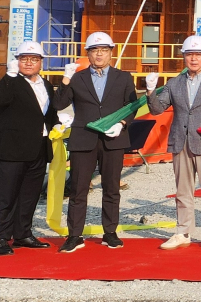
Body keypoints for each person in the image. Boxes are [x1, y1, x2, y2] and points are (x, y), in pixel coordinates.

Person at [146, 34, 201, 250]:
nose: (194, 58)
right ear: (184, 57)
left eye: (198, 54)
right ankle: (183, 231)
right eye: (189, 54)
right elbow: (157, 109)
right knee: (183, 191)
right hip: (181, 142)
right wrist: (150, 91)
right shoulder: (174, 83)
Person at [54, 31, 138, 254]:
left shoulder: (123, 77)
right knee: (78, 189)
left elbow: (133, 106)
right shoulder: (77, 78)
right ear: (88, 54)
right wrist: (65, 79)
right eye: (94, 50)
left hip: (113, 138)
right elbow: (59, 104)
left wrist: (121, 123)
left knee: (111, 188)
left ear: (111, 53)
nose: (99, 54)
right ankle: (74, 235)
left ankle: (109, 232)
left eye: (103, 50)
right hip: (84, 138)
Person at [0, 41, 61, 255]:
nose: (28, 63)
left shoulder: (46, 85)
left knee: (30, 195)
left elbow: (47, 113)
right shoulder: (9, 82)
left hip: (37, 148)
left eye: (34, 59)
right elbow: (0, 100)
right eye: (24, 58)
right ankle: (1, 238)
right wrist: (10, 76)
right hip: (10, 150)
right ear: (17, 60)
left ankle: (23, 235)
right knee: (6, 196)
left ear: (41, 62)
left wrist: (57, 123)